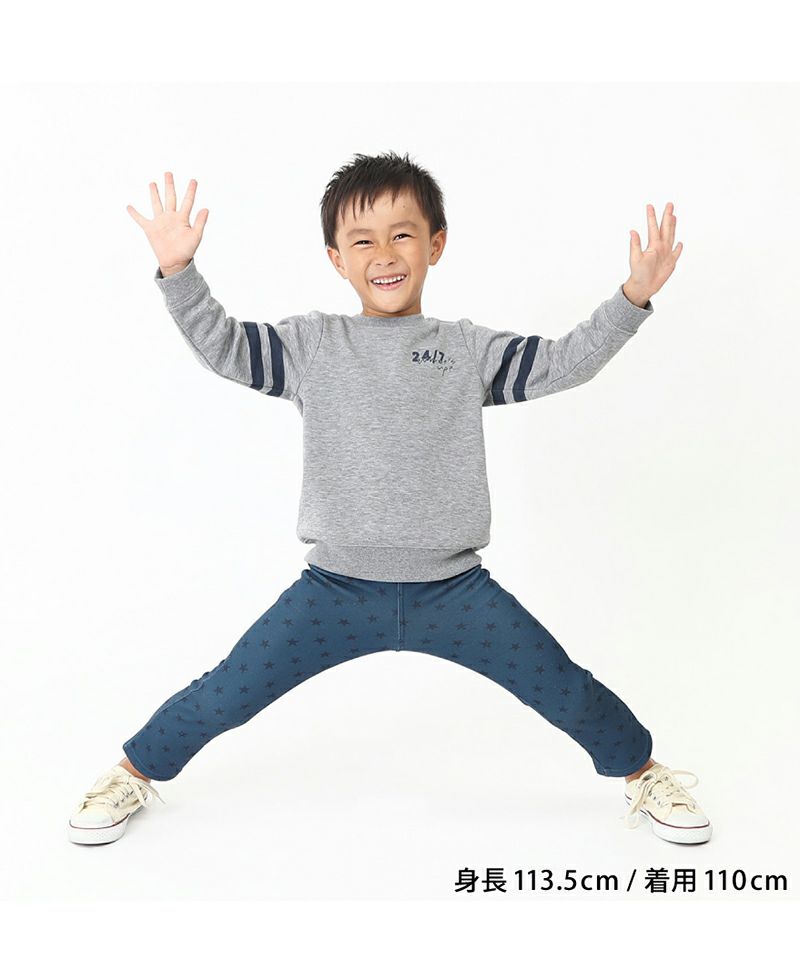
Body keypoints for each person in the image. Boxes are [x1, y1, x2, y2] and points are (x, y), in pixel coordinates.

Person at [68, 152, 711, 847]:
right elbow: (225, 347)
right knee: (226, 691)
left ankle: (644, 773)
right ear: (336, 259)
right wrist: (179, 272)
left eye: (403, 234)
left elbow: (561, 362)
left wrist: (632, 298)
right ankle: (133, 772)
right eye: (362, 240)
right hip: (334, 592)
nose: (384, 254)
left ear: (436, 244)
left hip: (455, 592)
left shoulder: (465, 349)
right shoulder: (314, 344)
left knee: (563, 687)